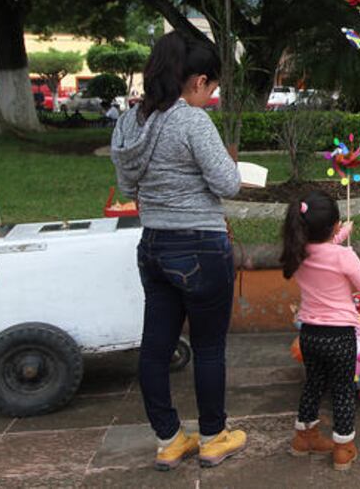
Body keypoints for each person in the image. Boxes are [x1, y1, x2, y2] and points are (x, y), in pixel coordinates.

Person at [110, 32, 244, 471]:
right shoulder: (191, 121)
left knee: (155, 347)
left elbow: (128, 186)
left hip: (153, 245)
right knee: (207, 349)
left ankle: (169, 439)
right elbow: (228, 183)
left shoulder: (131, 121)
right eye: (212, 86)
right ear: (198, 81)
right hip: (200, 247)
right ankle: (212, 437)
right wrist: (227, 160)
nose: (212, 95)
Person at [281, 190, 360, 471]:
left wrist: (338, 235)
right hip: (339, 336)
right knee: (342, 391)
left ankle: (303, 438)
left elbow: (323, 251)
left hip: (310, 335)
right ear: (334, 226)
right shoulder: (345, 257)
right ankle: (343, 448)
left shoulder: (298, 252)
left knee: (313, 384)